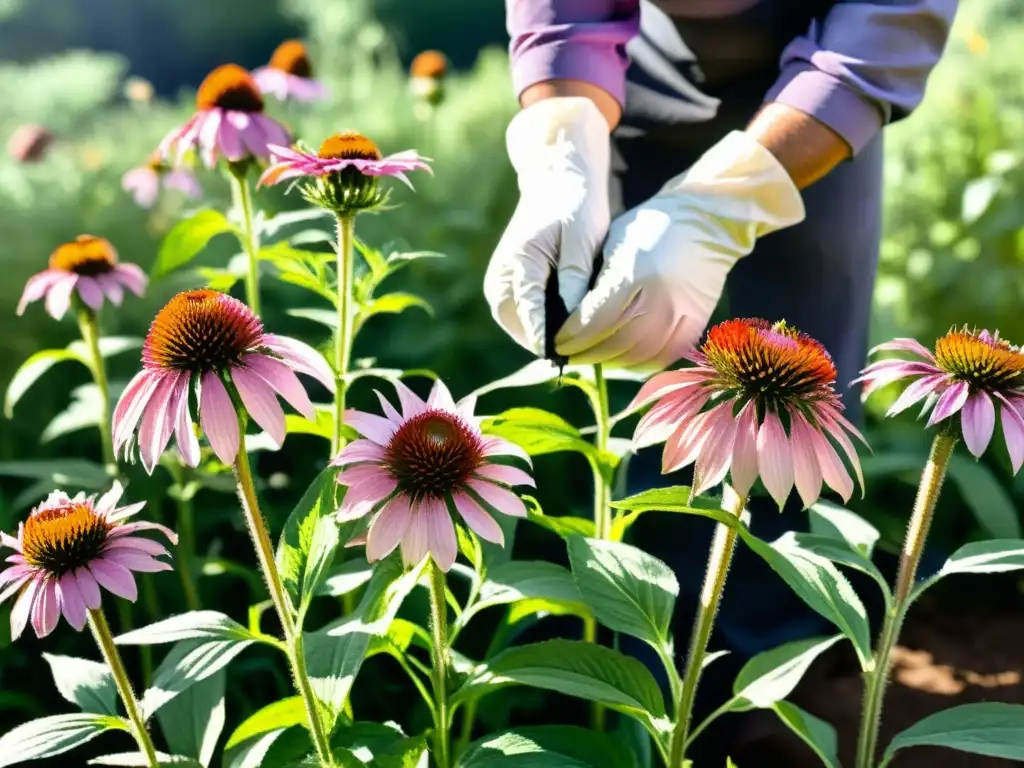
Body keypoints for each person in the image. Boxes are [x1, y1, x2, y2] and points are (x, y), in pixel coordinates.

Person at [485, 1, 957, 762]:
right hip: (633, 62)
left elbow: (888, 24)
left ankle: (776, 686)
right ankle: (647, 694)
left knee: (803, 396)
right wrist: (559, 154)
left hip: (824, 70)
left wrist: (720, 205)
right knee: (645, 393)